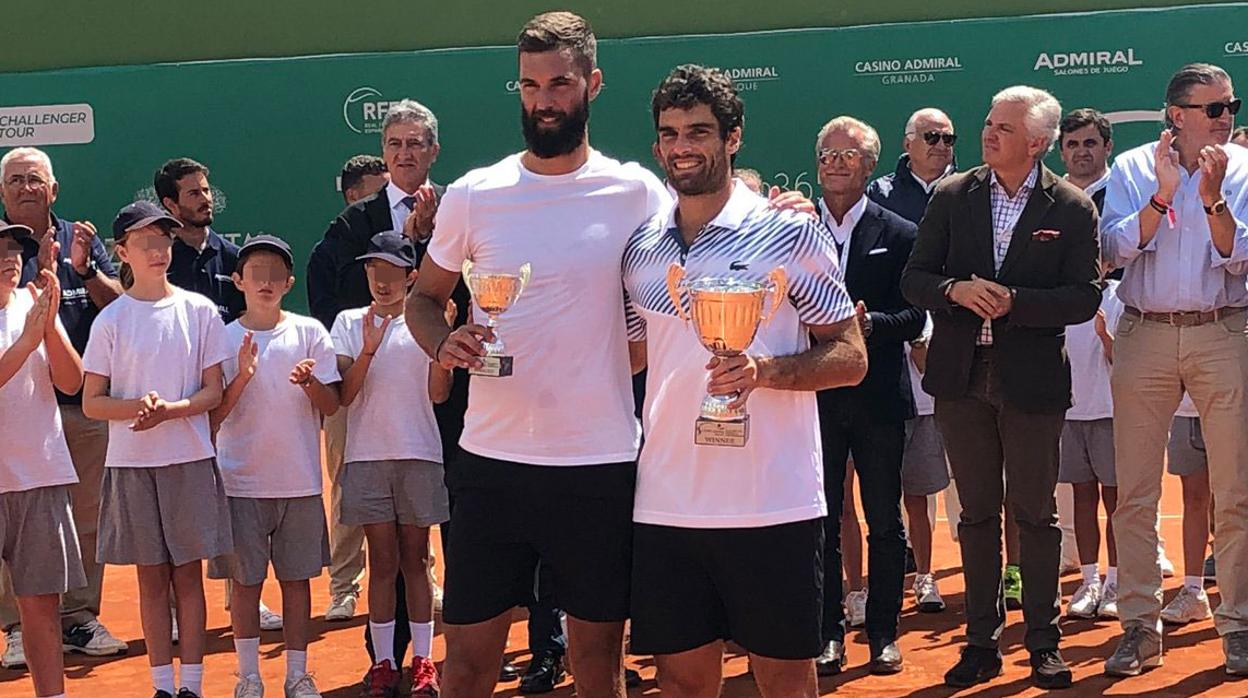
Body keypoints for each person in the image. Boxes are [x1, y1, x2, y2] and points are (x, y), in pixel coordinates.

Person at [621, 63, 866, 697]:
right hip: (668, 499)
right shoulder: (641, 248)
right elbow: (635, 357)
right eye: (670, 133)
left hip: (772, 499)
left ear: (732, 139)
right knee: (681, 683)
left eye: (699, 131)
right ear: (656, 146)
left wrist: (766, 372)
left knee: (784, 681)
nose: (683, 147)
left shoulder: (789, 231)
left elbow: (850, 355)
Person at [901, 85, 1101, 689]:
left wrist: (1016, 302)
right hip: (962, 381)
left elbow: (1084, 297)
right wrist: (954, 291)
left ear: (1037, 142)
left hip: (1032, 384)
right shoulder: (950, 195)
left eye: (1004, 128)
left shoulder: (1069, 206)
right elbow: (915, 278)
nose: (988, 134)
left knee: (1037, 516)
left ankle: (1042, 640)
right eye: (988, 123)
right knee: (977, 515)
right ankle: (981, 642)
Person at [1101, 62, 1248, 677]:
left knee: (1236, 491)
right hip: (1145, 333)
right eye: (1215, 108)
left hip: (1223, 331)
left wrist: (1211, 199)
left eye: (1231, 106)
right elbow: (1109, 251)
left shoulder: (1241, 169)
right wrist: (1163, 196)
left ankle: (1238, 625)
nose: (1227, 118)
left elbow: (1238, 260)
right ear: (1178, 115)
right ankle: (1139, 625)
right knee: (1134, 492)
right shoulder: (1133, 167)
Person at [82, 201, 234, 698]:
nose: (158, 250)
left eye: (164, 239)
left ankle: (191, 685)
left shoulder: (199, 310)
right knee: (152, 579)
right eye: (145, 241)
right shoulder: (111, 321)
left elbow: (213, 392)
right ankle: (162, 687)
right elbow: (93, 403)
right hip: (131, 466)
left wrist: (170, 409)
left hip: (188, 460)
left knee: (188, 576)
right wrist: (138, 410)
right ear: (121, 251)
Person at [0, 147, 127, 669]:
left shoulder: (81, 241)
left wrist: (85, 271)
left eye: (35, 179)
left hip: (74, 411)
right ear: (3, 192)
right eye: (15, 180)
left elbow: (122, 306)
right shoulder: (7, 252)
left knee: (84, 521)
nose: (26, 187)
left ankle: (78, 616)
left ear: (53, 189)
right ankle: (13, 626)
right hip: (17, 422)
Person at [811, 115, 922, 676]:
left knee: (884, 521)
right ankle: (828, 634)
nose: (834, 162)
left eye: (847, 154)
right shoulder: (793, 229)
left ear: (870, 164)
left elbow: (915, 315)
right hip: (815, 400)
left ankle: (882, 633)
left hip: (878, 399)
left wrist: (869, 324)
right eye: (826, 153)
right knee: (823, 520)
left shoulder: (899, 232)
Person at [207, 235, 340, 698]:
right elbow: (214, 416)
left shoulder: (310, 333)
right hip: (240, 483)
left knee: (296, 582)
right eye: (255, 272)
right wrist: (242, 376)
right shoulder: (222, 340)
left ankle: (296, 676)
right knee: (245, 585)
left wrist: (309, 384)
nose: (265, 281)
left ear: (288, 282)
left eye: (274, 273)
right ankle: (248, 677)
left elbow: (333, 404)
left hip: (299, 483)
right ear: (239, 280)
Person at [332, 232, 452, 697]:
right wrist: (368, 347)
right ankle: (383, 663)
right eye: (374, 272)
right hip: (366, 458)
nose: (382, 282)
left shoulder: (426, 322)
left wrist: (443, 348)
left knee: (416, 561)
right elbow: (344, 394)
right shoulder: (347, 322)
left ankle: (423, 662)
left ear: (412, 277)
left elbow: (438, 393)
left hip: (420, 453)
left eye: (392, 273)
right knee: (381, 564)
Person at [0, 221, 87, 698]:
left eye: (14, 249)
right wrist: (27, 340)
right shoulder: (24, 325)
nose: (10, 258)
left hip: (40, 475)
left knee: (41, 608)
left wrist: (48, 322)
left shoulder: (34, 307)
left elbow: (71, 382)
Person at [1060, 269, 1123, 620]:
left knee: (1115, 501)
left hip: (1110, 413)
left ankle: (1115, 581)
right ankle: (1089, 581)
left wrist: (1105, 336)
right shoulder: (1062, 295)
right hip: (1070, 414)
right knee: (1082, 497)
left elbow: (1125, 360)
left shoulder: (1121, 297)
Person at [157, 158, 246, 324]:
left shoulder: (235, 258)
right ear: (170, 204)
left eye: (206, 190)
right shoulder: (157, 260)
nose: (205, 199)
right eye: (194, 194)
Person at [1160, 394, 1214, 626]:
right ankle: (1194, 591)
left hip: (1232, 410)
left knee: (1235, 499)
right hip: (1184, 413)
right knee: (1193, 498)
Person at [867, 108, 956, 226]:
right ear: (908, 144)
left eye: (947, 139)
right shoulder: (879, 193)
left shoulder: (969, 191)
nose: (941, 146)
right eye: (931, 138)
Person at [1059, 109, 1114, 213]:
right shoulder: (1046, 198)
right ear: (1062, 152)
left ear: (1108, 148)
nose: (1082, 153)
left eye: (1090, 144)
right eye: (1073, 145)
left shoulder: (1125, 193)